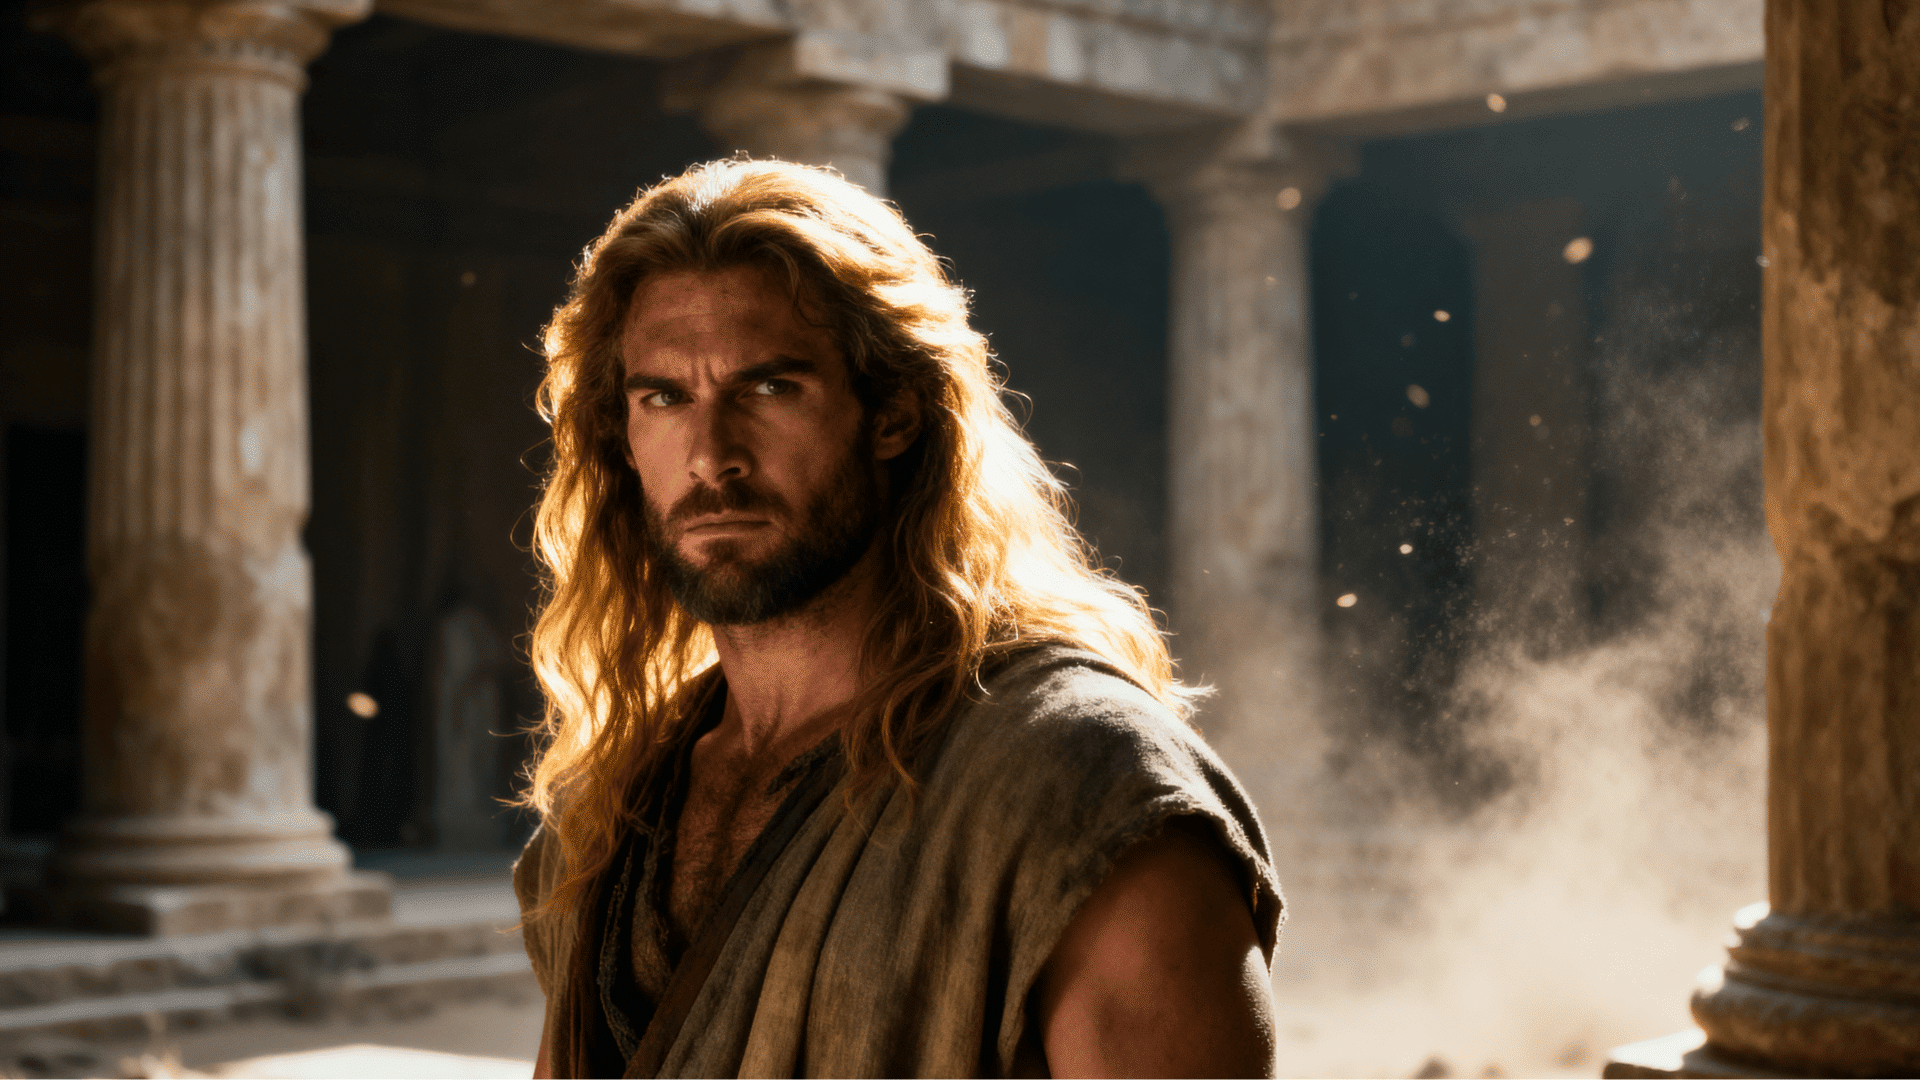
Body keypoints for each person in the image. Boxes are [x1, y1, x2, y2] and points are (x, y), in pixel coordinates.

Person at [513, 157, 1284, 1078]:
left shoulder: (1080, 789)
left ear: (893, 415)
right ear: (623, 437)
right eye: (665, 398)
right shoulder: (609, 812)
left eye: (770, 388)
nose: (710, 458)